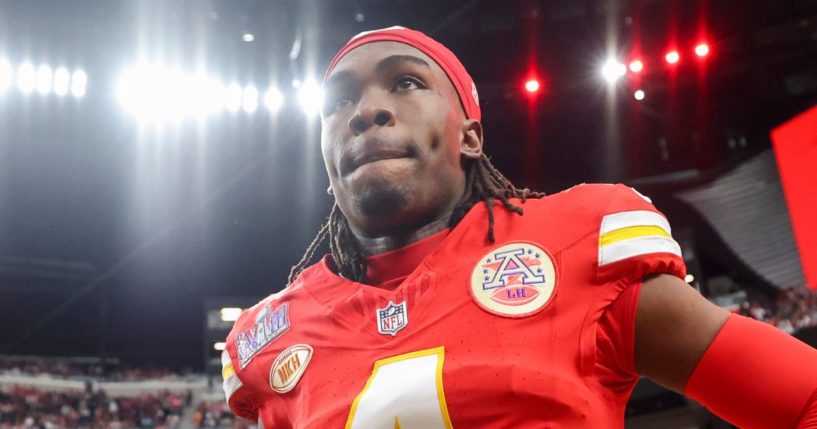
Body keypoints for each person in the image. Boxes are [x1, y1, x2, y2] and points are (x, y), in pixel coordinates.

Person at [220, 26, 817, 428]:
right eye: (337, 101)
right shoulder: (273, 336)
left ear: (471, 137)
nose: (365, 112)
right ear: (327, 160)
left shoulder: (577, 246)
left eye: (406, 82)